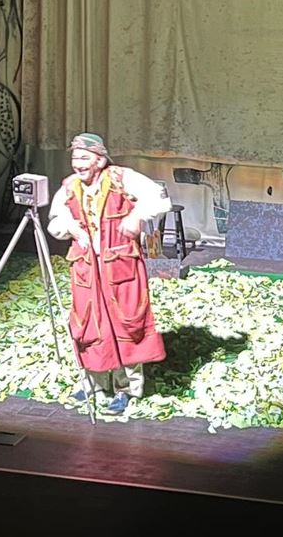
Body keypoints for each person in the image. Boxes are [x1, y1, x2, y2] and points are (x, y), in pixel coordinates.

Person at [48, 132, 171, 414]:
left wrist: (136, 216)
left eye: (84, 158)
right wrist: (71, 228)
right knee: (89, 325)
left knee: (126, 323)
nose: (78, 164)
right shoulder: (70, 187)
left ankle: (126, 388)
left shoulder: (121, 178)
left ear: (100, 160)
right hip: (87, 268)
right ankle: (94, 382)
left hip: (120, 266)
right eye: (75, 158)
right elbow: (55, 220)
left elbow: (159, 198)